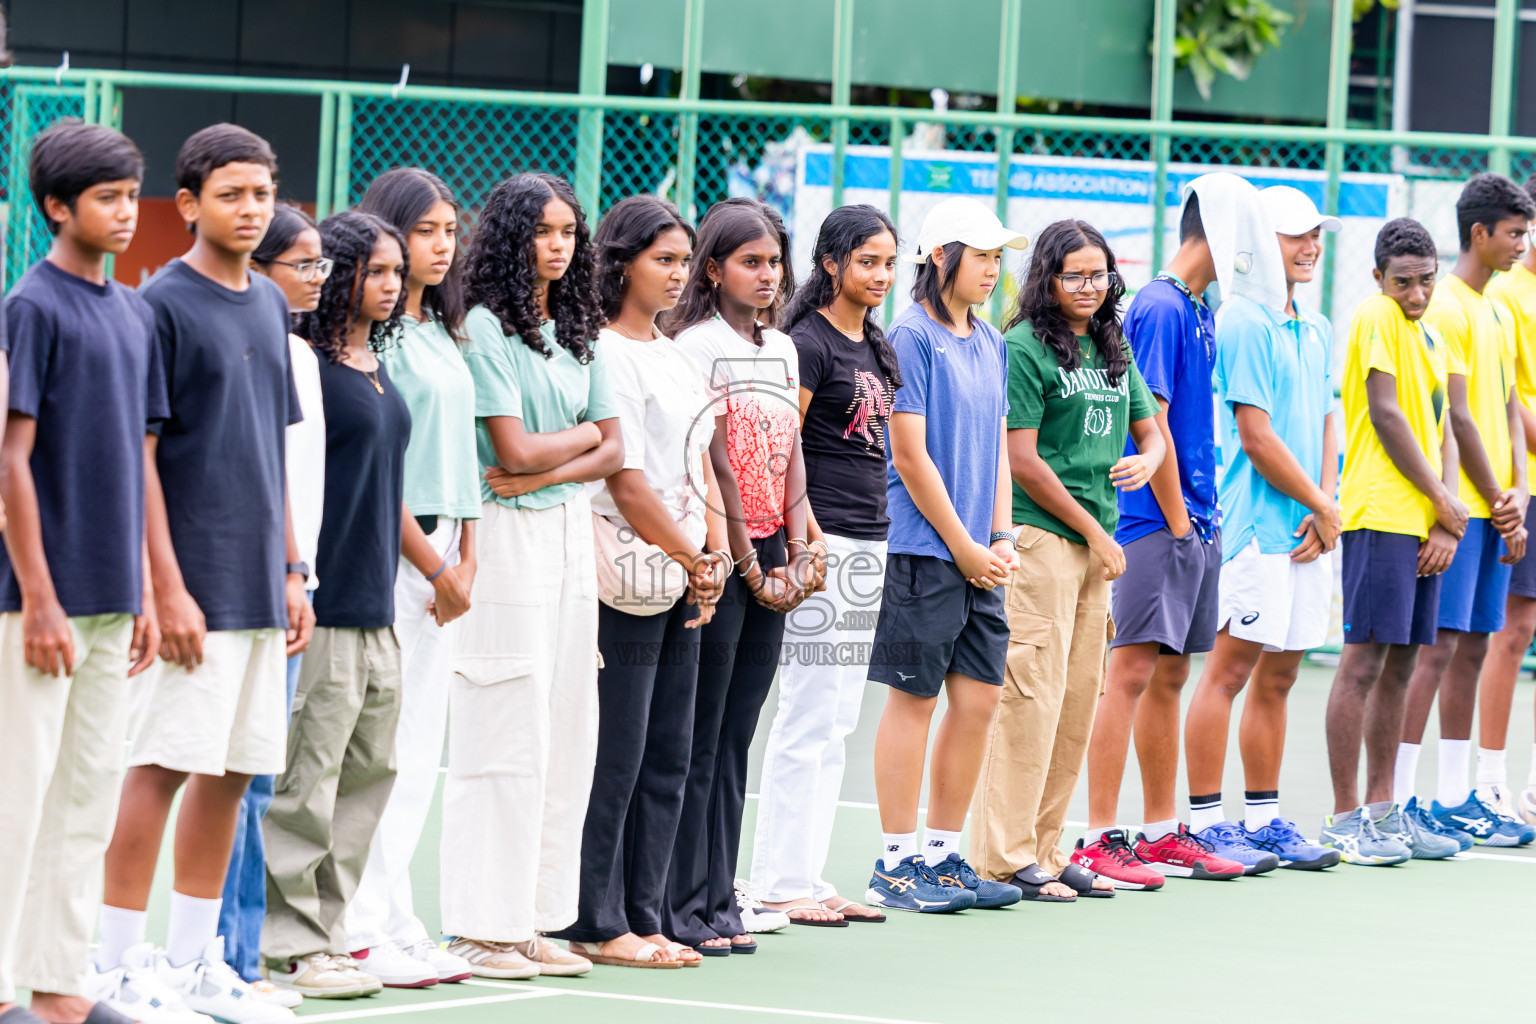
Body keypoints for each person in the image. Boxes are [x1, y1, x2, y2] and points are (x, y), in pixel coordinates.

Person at [95, 123, 311, 1024]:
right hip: (193, 588)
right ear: (188, 205)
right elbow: (137, 457)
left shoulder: (269, 302)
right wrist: (165, 585)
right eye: (232, 194)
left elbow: (273, 451)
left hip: (263, 585)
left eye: (262, 193)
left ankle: (192, 966)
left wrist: (294, 569)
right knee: (159, 766)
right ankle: (111, 968)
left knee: (231, 774)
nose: (251, 209)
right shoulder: (160, 305)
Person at [1077, 172, 1288, 888]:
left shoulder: (1197, 309)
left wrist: (1196, 523)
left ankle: (1165, 833)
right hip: (1154, 523)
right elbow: (1151, 422)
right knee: (1129, 672)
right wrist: (1176, 521)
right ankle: (1100, 837)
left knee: (1169, 675)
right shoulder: (1162, 307)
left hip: (1194, 522)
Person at [0, 122, 162, 1024]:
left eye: (131, 195)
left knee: (86, 798)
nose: (126, 213)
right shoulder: (32, 307)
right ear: (58, 208)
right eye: (106, 198)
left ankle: (60, 989)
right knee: (15, 798)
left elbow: (137, 463)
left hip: (110, 602)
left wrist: (138, 587)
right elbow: (10, 459)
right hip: (38, 606)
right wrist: (39, 600)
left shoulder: (131, 313)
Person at [441, 172, 619, 980]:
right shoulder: (484, 326)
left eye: (569, 232)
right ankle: (483, 926)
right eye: (543, 231)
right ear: (513, 237)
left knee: (566, 726)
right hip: (506, 537)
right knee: (505, 724)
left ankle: (536, 921)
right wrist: (574, 451)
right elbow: (508, 453)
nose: (558, 245)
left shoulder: (579, 325)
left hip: (567, 535)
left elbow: (616, 447)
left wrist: (564, 459)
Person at [544, 195, 728, 968]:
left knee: (669, 752)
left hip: (685, 575)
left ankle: (646, 914)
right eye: (664, 259)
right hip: (623, 576)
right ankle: (596, 918)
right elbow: (626, 479)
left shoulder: (677, 353)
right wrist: (691, 556)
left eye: (685, 261)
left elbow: (700, 462)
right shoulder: (602, 353)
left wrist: (715, 556)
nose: (679, 275)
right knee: (614, 753)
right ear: (620, 263)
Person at [969, 219, 1164, 902]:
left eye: (1099, 274)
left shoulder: (1112, 342)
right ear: (1048, 279)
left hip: (1095, 550)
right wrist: (1096, 532)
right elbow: (1022, 461)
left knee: (1078, 700)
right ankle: (1004, 854)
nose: (1089, 287)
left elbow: (1151, 429)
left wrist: (1151, 457)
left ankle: (1047, 851)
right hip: (1044, 541)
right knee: (1031, 697)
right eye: (1074, 275)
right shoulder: (1023, 347)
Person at [262, 211, 415, 998]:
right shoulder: (307, 367)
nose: (390, 286)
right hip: (325, 600)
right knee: (307, 781)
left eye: (397, 273)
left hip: (379, 602)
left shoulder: (376, 365)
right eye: (375, 272)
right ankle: (288, 942)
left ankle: (332, 929)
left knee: (369, 776)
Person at [664, 197, 822, 953]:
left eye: (773, 262)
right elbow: (720, 462)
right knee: (700, 733)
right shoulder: (693, 346)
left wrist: (798, 546)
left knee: (735, 736)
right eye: (750, 262)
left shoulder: (783, 350)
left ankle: (720, 896)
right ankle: (682, 903)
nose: (767, 275)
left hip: (772, 563)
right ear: (714, 267)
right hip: (725, 560)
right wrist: (752, 568)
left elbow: (788, 453)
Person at [861, 196, 1024, 914]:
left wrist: (1000, 538)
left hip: (978, 557)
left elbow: (996, 454)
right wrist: (962, 546)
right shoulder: (909, 335)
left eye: (997, 256)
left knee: (980, 700)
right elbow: (909, 453)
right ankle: (896, 863)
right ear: (939, 257)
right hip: (924, 551)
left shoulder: (990, 340)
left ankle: (943, 855)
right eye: (980, 255)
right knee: (915, 699)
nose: (992, 268)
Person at [1179, 186, 1344, 873]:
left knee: (1280, 677)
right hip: (1252, 529)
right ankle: (1207, 824)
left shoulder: (1318, 324)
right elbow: (1256, 436)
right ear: (1258, 243)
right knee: (1229, 672)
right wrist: (1324, 506)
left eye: (1316, 236)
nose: (1309, 247)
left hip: (1308, 528)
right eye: (1293, 235)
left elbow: (1330, 418)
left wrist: (1324, 501)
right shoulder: (1242, 319)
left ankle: (1265, 819)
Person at [343, 168, 479, 989]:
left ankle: (396, 916)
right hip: (400, 554)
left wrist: (467, 559)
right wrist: (434, 563)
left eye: (448, 231)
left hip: (450, 552)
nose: (439, 246)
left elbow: (472, 463)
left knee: (421, 745)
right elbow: (384, 469)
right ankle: (359, 927)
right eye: (423, 230)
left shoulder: (443, 332)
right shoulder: (378, 337)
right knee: (380, 750)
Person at [749, 204, 901, 925]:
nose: (880, 275)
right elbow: (783, 447)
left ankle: (807, 877)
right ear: (832, 263)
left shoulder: (873, 343)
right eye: (867, 260)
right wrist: (802, 542)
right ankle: (777, 882)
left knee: (839, 715)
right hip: (823, 544)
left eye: (889, 262)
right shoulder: (805, 342)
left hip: (868, 544)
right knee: (807, 712)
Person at [1395, 173, 1536, 849]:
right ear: (1479, 233)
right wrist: (1493, 499)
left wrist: (1515, 492)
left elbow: (1509, 406)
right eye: (1512, 232)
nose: (1521, 243)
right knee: (1436, 649)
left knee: (1474, 646)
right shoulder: (1445, 306)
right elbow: (1456, 415)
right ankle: (1397, 798)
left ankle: (1455, 797)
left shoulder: (1499, 310)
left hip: (1500, 506)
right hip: (1461, 511)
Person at [1320, 217, 1468, 865]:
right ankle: (1344, 818)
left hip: (1423, 525)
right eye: (1403, 281)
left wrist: (1444, 517)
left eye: (1426, 280)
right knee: (1363, 662)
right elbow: (1385, 414)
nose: (1415, 293)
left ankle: (1384, 812)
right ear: (1378, 276)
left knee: (1403, 663)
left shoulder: (1432, 336)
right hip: (1379, 515)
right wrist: (1442, 501)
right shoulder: (1376, 315)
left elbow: (1445, 432)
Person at [214, 205, 328, 1008]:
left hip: (293, 586)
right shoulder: (245, 340)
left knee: (260, 778)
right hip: (233, 587)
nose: (317, 277)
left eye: (322, 263)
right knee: (232, 780)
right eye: (303, 263)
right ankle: (226, 957)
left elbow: (298, 486)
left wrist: (299, 573)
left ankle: (241, 956)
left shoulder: (302, 355)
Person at [1477, 172, 1536, 824]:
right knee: (1511, 631)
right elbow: (1515, 401)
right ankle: (1490, 780)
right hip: (1523, 488)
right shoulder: (1510, 294)